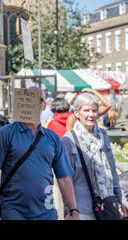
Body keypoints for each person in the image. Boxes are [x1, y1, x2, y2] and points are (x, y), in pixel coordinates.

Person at [0, 87, 80, 220]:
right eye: (28, 99)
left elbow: (64, 178)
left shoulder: (52, 138)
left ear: (44, 105)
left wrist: (73, 211)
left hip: (47, 212)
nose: (31, 103)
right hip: (13, 211)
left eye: (36, 99)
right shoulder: (6, 133)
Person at [61, 92, 128, 220]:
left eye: (94, 110)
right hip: (81, 209)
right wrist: (70, 211)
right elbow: (65, 180)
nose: (91, 115)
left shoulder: (103, 135)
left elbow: (112, 172)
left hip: (107, 204)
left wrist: (122, 200)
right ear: (76, 113)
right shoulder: (68, 141)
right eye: (86, 110)